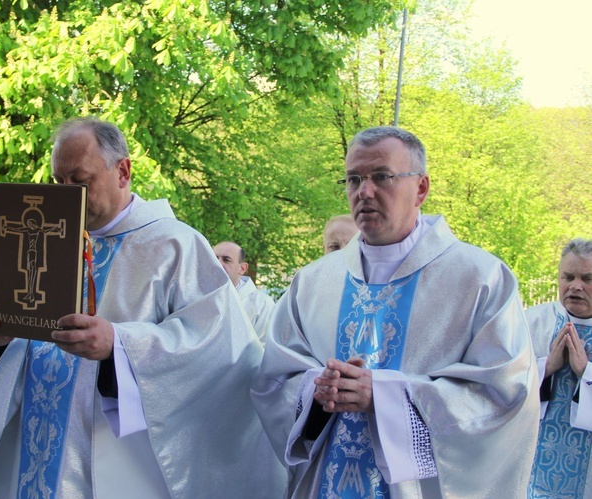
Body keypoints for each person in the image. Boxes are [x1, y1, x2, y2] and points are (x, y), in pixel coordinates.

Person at [0, 118, 286, 498]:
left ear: (123, 171)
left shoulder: (175, 246)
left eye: (79, 181)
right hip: (35, 443)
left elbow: (220, 350)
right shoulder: (48, 237)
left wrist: (119, 344)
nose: (66, 196)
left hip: (116, 463)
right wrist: (3, 337)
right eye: (58, 183)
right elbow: (30, 345)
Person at [251, 125, 539, 497]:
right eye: (353, 179)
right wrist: (314, 393)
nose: (364, 192)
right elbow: (274, 379)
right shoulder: (313, 281)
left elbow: (505, 395)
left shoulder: (480, 278)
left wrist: (384, 397)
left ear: (420, 188)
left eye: (382, 177)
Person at [526, 238, 592, 498]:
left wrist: (585, 372)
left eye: (587, 278)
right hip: (533, 469)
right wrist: (545, 368)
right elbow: (498, 386)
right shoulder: (532, 322)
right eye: (568, 277)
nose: (575, 286)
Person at [213, 240, 275, 344]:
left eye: (226, 260)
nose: (218, 264)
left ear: (242, 268)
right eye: (215, 258)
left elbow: (265, 347)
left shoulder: (263, 304)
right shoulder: (196, 297)